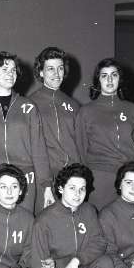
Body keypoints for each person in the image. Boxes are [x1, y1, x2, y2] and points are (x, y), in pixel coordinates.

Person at [0, 51, 53, 214]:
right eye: (5, 69)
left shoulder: (29, 107)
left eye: (13, 70)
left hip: (24, 178)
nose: (10, 74)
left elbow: (39, 149)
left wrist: (46, 185)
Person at [75, 58, 134, 211]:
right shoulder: (86, 111)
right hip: (100, 179)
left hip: (129, 178)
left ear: (120, 79)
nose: (109, 80)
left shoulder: (132, 109)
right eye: (104, 76)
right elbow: (80, 150)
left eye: (114, 75)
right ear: (98, 80)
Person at [30, 46, 80, 180]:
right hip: (45, 176)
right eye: (51, 69)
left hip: (73, 176)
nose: (57, 74)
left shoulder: (74, 105)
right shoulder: (30, 104)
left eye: (60, 68)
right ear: (41, 72)